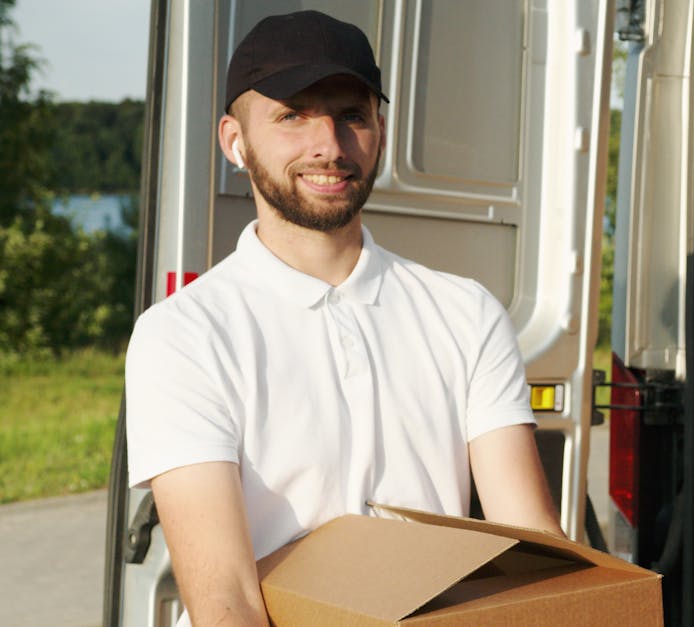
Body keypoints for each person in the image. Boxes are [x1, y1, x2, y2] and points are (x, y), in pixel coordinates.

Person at [124, 10, 564, 627]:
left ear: (380, 130)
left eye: (351, 115)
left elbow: (532, 546)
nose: (329, 145)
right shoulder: (185, 335)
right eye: (292, 116)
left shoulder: (466, 313)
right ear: (234, 141)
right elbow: (227, 598)